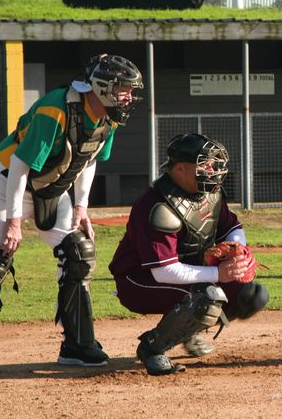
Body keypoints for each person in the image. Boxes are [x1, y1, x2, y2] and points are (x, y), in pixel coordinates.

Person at [0, 54, 144, 371]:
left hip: (50, 187)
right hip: (7, 182)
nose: (128, 96)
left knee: (78, 253)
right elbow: (20, 165)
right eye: (123, 88)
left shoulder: (109, 118)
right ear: (101, 87)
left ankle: (78, 345)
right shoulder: (56, 109)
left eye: (130, 89)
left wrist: (81, 205)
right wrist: (14, 221)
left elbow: (88, 158)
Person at [108, 133, 269, 376]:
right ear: (181, 168)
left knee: (252, 295)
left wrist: (238, 249)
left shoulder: (209, 193)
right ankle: (152, 347)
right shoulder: (157, 206)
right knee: (207, 299)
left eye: (214, 164)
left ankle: (187, 330)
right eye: (205, 164)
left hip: (182, 273)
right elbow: (164, 271)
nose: (212, 170)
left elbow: (232, 227)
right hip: (139, 281)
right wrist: (219, 273)